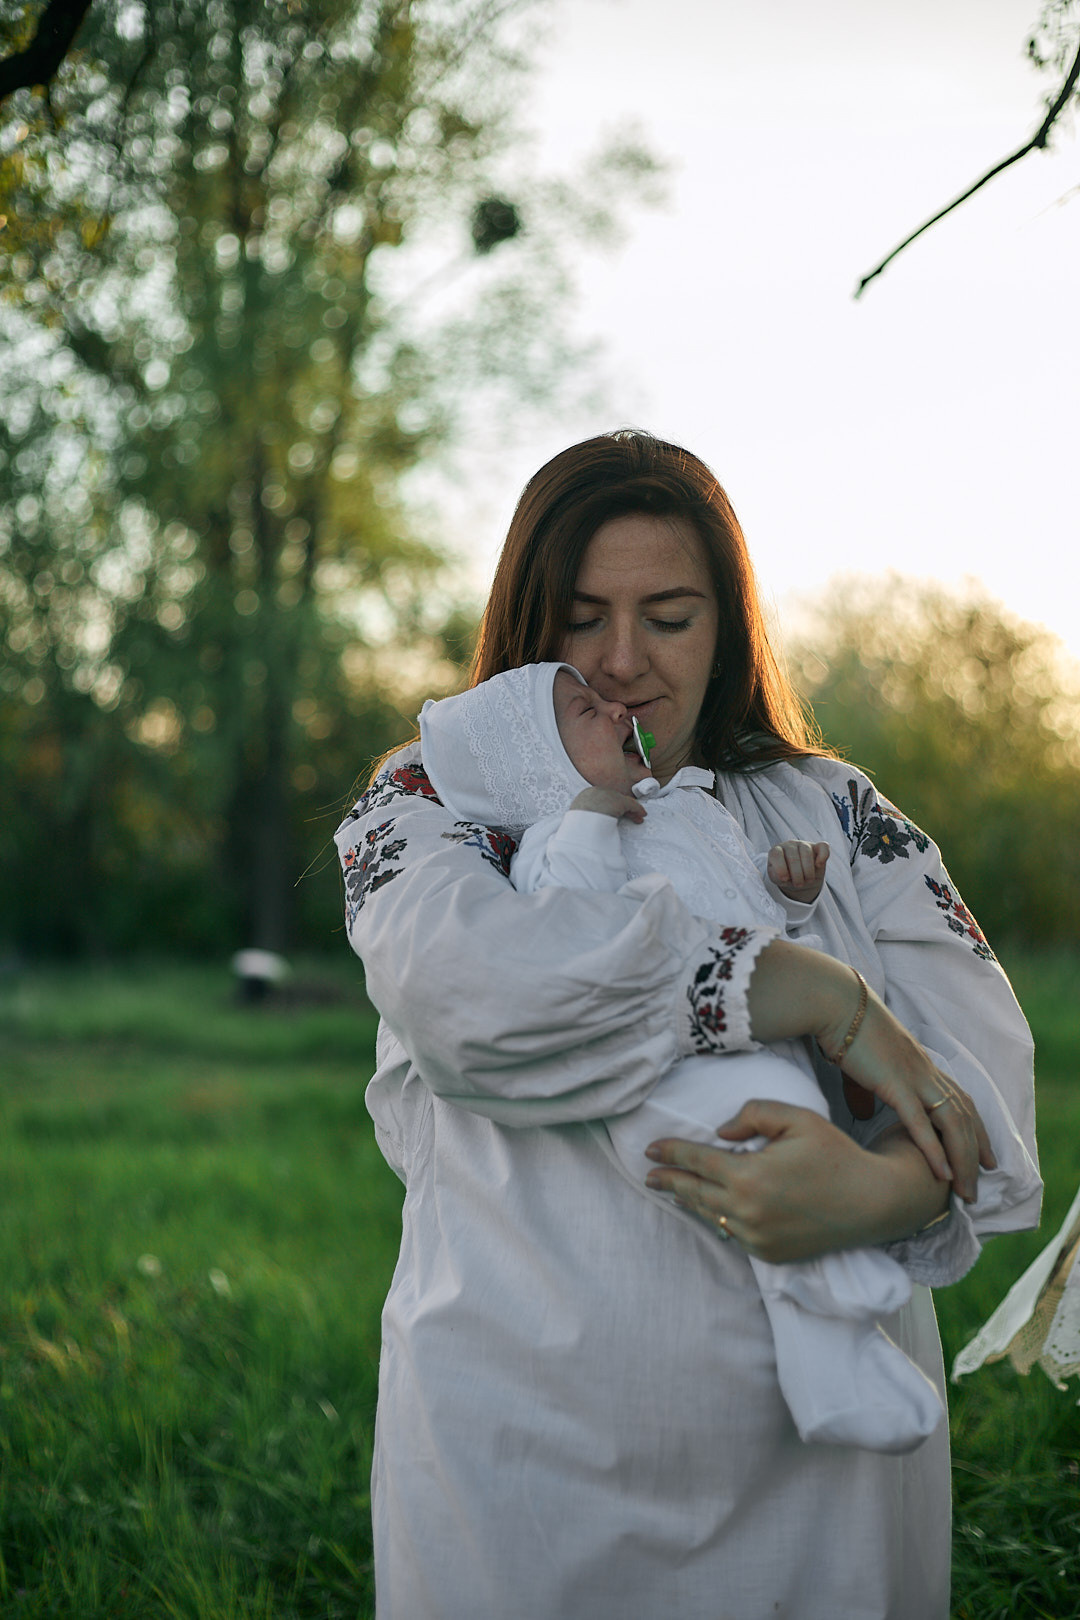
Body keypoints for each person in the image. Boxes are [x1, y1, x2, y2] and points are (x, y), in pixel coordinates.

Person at [335, 431, 1041, 1620]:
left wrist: (887, 1195)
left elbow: (980, 1066)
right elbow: (472, 999)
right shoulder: (440, 792)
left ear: (729, 625)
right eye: (579, 619)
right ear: (525, 621)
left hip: (822, 1468)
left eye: (668, 617)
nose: (621, 663)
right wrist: (816, 994)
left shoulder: (834, 808)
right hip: (520, 1441)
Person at [418, 659, 967, 1453]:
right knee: (761, 1167)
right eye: (582, 712)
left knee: (789, 1149)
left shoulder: (686, 811)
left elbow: (747, 927)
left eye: (668, 622)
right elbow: (576, 933)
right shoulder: (550, 841)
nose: (615, 709)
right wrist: (588, 821)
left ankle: (832, 1342)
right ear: (541, 761)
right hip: (664, 1084)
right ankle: (833, 1318)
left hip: (758, 1054)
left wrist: (791, 898)